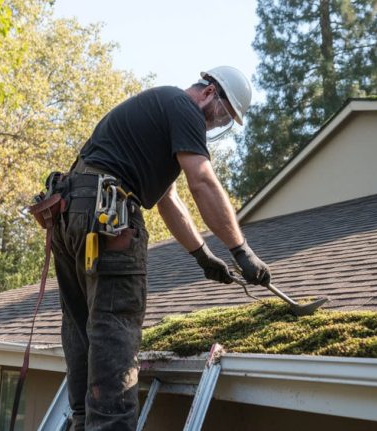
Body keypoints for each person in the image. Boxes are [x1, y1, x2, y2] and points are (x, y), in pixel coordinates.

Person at [51, 66, 272, 431]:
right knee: (114, 327)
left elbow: (168, 199)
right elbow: (201, 180)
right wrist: (241, 250)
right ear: (208, 93)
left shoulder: (157, 111)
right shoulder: (183, 107)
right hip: (107, 216)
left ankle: (82, 421)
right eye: (221, 117)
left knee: (81, 326)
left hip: (71, 213)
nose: (215, 127)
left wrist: (203, 255)